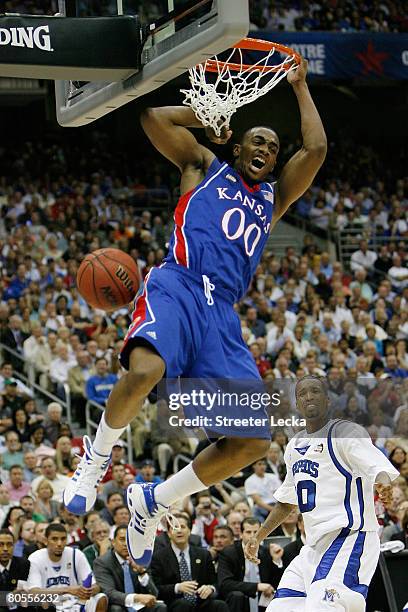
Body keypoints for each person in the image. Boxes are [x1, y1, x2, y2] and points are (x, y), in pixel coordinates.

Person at [64, 57, 327, 568]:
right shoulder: (203, 166)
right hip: (178, 283)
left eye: (274, 147)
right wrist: (203, 117)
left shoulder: (272, 199)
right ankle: (93, 462)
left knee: (253, 440)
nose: (267, 149)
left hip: (221, 316)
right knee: (145, 369)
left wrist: (299, 88)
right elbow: (151, 118)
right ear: (237, 146)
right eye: (258, 140)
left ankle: (154, 501)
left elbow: (314, 149)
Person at [244, 375, 400, 611]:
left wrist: (383, 482)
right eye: (302, 393)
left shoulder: (345, 432)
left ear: (328, 400)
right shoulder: (294, 446)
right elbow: (286, 502)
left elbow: (375, 464)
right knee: (280, 608)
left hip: (349, 537)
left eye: (315, 391)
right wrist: (259, 536)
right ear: (297, 404)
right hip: (314, 546)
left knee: (323, 606)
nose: (309, 396)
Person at [150, 514, 228, 611]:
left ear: (189, 531)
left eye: (182, 527)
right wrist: (177, 587)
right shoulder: (158, 557)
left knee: (219, 605)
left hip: (200, 600)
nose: (179, 530)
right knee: (183, 605)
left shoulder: (203, 555)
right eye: (175, 527)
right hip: (174, 603)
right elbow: (156, 588)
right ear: (169, 533)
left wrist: (210, 588)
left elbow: (215, 581)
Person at [27, 523, 108, 612]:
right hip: (51, 604)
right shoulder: (35, 558)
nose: (59, 543)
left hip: (75, 602)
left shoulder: (76, 554)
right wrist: (67, 590)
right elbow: (33, 593)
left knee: (101, 598)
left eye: (63, 539)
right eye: (54, 539)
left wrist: (87, 590)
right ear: (45, 540)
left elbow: (96, 586)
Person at [94, 524, 166, 612]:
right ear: (113, 542)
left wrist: (142, 572)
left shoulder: (141, 558)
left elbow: (154, 593)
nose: (126, 544)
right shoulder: (103, 562)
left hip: (139, 606)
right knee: (116, 609)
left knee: (160, 607)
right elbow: (109, 593)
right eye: (122, 539)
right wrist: (136, 598)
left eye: (130, 540)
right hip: (119, 604)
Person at [217, 517, 283, 612]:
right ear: (241, 534)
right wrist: (256, 586)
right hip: (239, 599)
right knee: (237, 596)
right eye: (248, 532)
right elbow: (225, 583)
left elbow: (275, 582)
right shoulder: (229, 553)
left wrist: (276, 561)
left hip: (263, 599)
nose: (253, 536)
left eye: (256, 532)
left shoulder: (266, 552)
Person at [0, 528, 30, 612]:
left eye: (9, 544)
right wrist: (10, 596)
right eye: (1, 544)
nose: (5, 549)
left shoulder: (24, 564)